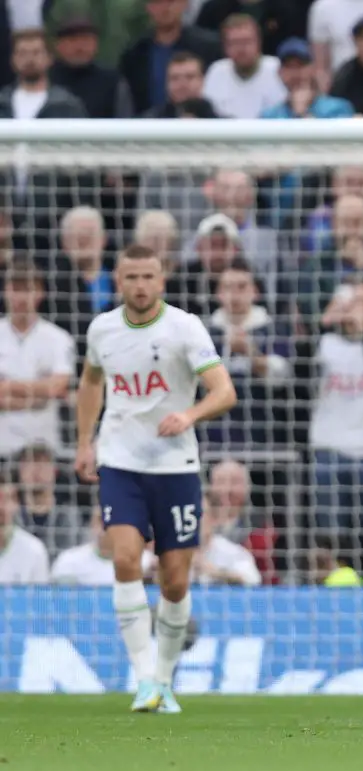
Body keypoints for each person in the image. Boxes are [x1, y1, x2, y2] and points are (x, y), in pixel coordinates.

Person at [74, 243, 237, 714]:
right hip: (120, 462)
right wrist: (85, 441)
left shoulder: (184, 328)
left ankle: (164, 680)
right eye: (131, 278)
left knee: (175, 582)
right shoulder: (102, 329)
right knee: (125, 559)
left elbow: (224, 391)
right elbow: (90, 382)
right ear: (118, 281)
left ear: (161, 280)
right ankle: (144, 679)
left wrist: (189, 415)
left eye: (148, 276)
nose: (140, 286)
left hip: (175, 467)